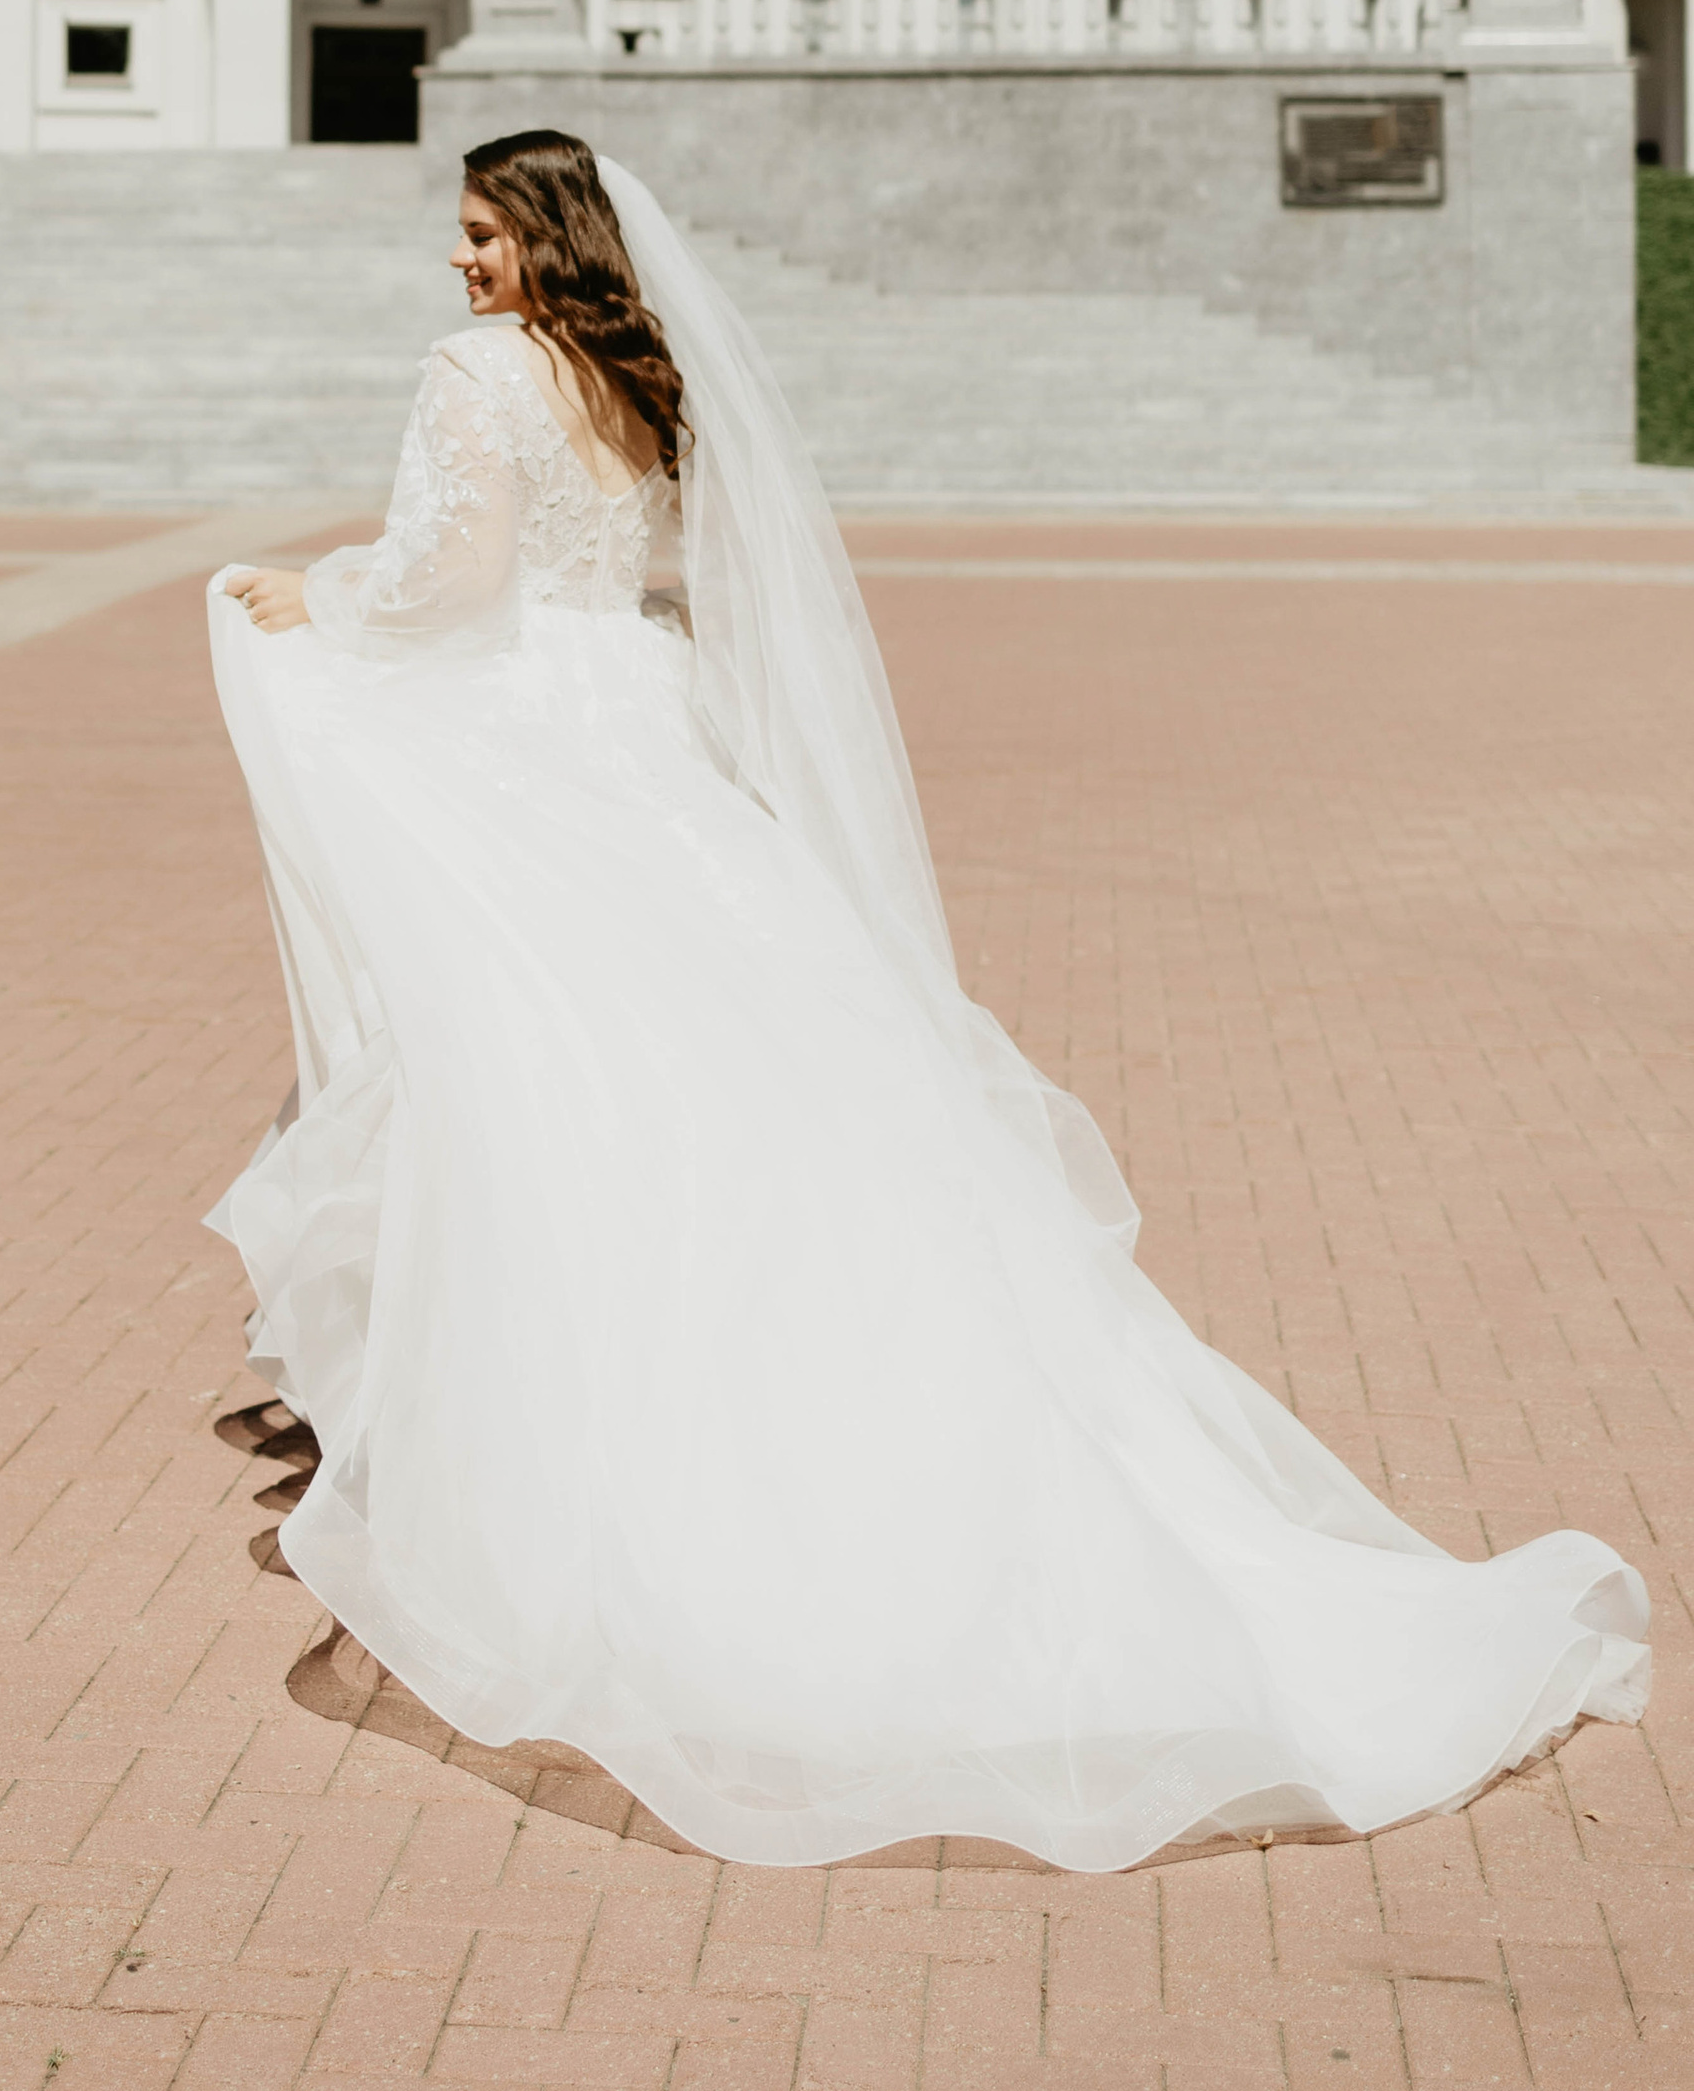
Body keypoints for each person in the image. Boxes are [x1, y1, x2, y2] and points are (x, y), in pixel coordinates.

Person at [208, 129, 1648, 1872]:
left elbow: (453, 584)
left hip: (531, 736)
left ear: (541, 241)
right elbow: (652, 581)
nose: (461, 264)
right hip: (644, 742)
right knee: (731, 1089)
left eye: (483, 233)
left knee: (528, 1077)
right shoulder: (637, 380)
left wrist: (319, 601)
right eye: (461, 240)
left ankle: (545, 1467)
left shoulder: (480, 377)